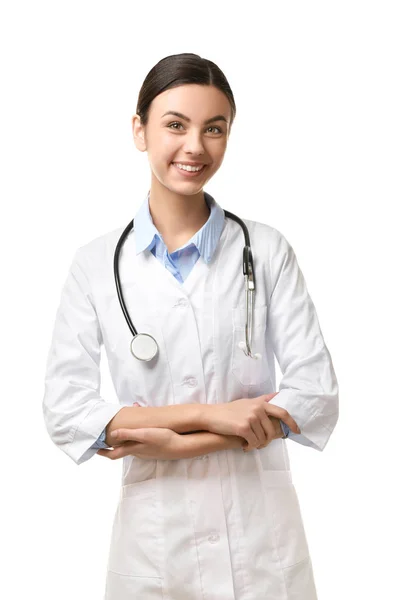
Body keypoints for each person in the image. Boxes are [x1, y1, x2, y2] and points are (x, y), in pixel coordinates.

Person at [42, 52, 339, 600]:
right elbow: (67, 411)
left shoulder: (266, 251)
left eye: (214, 129)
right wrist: (213, 416)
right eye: (175, 125)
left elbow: (316, 397)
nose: (195, 146)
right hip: (156, 550)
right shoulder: (94, 264)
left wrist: (172, 442)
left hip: (262, 546)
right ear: (140, 130)